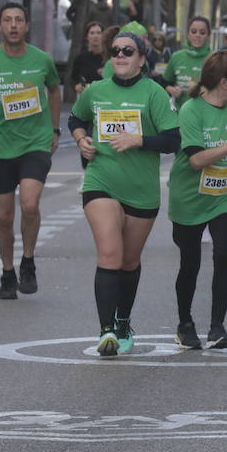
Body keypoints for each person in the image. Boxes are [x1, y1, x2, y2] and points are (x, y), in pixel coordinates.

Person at [69, 27, 180, 355]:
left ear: (142, 59)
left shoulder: (154, 93)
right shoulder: (96, 91)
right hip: (101, 181)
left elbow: (173, 140)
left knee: (129, 261)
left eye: (127, 51)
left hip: (141, 190)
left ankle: (122, 321)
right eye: (115, 51)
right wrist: (81, 141)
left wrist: (139, 140)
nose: (119, 55)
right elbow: (76, 119)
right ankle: (107, 332)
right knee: (110, 254)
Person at [0, 2, 62, 300]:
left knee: (29, 205)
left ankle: (28, 261)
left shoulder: (42, 60)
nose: (13, 25)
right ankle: (7, 272)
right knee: (3, 217)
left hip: (35, 144)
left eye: (19, 19)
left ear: (27, 26)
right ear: (0, 26)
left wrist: (54, 129)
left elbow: (54, 90)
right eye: (7, 20)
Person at [168, 50, 227, 349]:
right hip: (190, 196)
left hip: (225, 194)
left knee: (224, 255)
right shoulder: (191, 110)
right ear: (223, 82)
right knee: (190, 262)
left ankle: (218, 327)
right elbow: (196, 159)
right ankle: (185, 324)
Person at [161, 16, 213, 110]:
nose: (197, 35)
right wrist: (171, 90)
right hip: (180, 112)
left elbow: (220, 90)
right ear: (188, 34)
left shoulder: (214, 58)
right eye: (193, 31)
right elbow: (164, 83)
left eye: (202, 32)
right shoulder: (176, 56)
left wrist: (199, 89)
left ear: (208, 36)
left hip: (206, 112)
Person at [71, 22, 107, 95]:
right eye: (92, 33)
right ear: (87, 36)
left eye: (98, 33)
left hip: (105, 97)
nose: (95, 36)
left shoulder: (109, 57)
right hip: (86, 96)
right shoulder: (81, 58)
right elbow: (73, 78)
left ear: (103, 36)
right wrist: (77, 86)